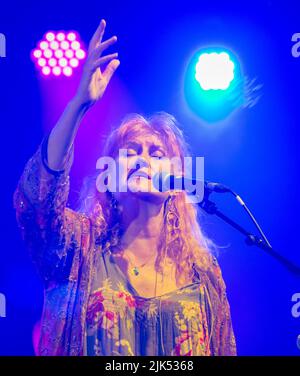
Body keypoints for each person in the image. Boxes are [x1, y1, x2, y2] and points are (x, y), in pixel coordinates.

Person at [13, 19, 237, 356]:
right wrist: (78, 106)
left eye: (156, 153)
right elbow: (37, 201)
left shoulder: (202, 273)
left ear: (177, 180)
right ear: (110, 177)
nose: (141, 159)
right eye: (129, 152)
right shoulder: (79, 248)